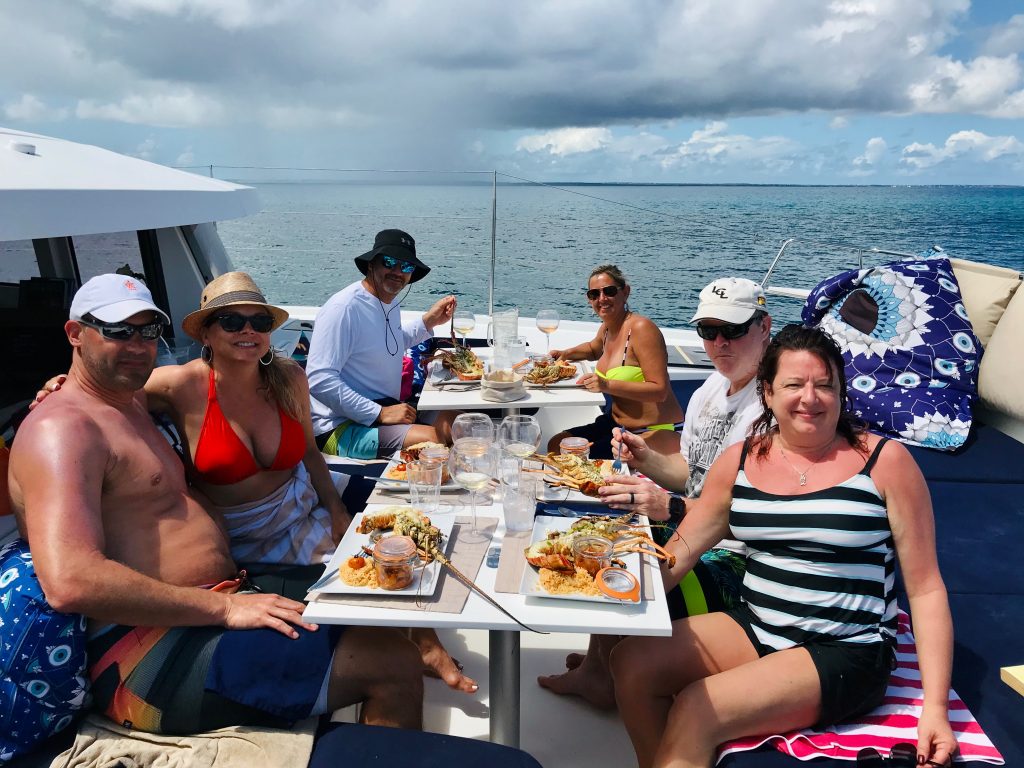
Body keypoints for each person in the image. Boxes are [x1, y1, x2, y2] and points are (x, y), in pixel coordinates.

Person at [10, 274, 425, 734]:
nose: (137, 344)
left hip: (218, 596)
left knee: (378, 606)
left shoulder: (129, 402)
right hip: (147, 652)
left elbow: (303, 451)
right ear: (74, 335)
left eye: (148, 331)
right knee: (392, 662)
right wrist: (224, 610)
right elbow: (70, 580)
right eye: (118, 330)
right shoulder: (62, 429)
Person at [612, 325, 957, 768]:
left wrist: (935, 709)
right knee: (633, 663)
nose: (809, 398)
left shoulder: (884, 463)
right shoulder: (740, 460)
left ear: (841, 393)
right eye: (794, 384)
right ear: (768, 392)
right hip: (759, 624)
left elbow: (926, 588)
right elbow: (681, 549)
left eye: (824, 385)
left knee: (700, 707)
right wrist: (602, 584)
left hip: (846, 648)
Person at [538, 277, 772, 709]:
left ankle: (606, 672)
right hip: (696, 527)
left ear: (765, 326)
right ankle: (600, 666)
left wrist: (672, 506)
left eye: (734, 329)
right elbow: (693, 473)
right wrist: (646, 460)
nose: (720, 342)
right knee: (604, 530)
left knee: (617, 556)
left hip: (738, 558)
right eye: (708, 331)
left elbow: (758, 513)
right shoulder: (711, 390)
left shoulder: (771, 408)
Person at [306, 229, 457, 459]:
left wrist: (429, 321)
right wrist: (379, 413)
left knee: (461, 422)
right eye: (389, 262)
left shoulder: (389, 302)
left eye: (406, 266)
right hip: (339, 427)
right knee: (434, 439)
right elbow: (318, 379)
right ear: (371, 265)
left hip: (387, 409)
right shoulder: (344, 308)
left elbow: (389, 343)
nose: (398, 272)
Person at [547, 265, 685, 458]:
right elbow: (594, 348)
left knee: (578, 459)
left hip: (650, 430)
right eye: (594, 294)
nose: (602, 299)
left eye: (609, 291)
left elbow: (659, 391)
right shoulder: (607, 328)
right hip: (615, 424)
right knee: (557, 444)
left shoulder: (641, 329)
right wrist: (565, 353)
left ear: (625, 292)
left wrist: (606, 384)